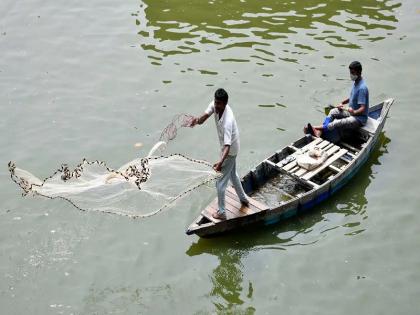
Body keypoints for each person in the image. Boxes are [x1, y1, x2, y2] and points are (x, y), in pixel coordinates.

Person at [191, 88, 249, 220]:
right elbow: (203, 118)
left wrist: (219, 164)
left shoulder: (228, 121)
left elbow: (228, 147)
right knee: (233, 175)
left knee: (220, 183)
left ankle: (222, 212)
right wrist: (196, 121)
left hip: (230, 150)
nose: (216, 106)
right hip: (227, 148)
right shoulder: (215, 106)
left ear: (225, 103)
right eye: (215, 102)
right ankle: (244, 199)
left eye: (219, 104)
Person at [305, 61, 369, 139]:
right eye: (350, 72)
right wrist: (342, 103)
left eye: (352, 72)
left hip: (359, 118)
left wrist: (354, 111)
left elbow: (363, 108)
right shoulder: (356, 82)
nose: (351, 75)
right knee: (333, 111)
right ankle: (320, 130)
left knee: (337, 123)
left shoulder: (362, 88)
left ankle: (316, 128)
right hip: (351, 113)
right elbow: (352, 97)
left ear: (359, 72)